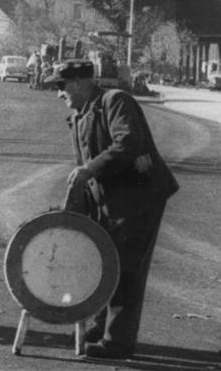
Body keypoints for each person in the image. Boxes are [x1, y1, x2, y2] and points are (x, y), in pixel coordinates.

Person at [44, 59, 179, 360]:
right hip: (110, 202)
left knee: (126, 269)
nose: (58, 93)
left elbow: (129, 142)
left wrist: (89, 169)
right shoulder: (81, 113)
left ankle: (117, 344)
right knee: (107, 264)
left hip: (139, 198)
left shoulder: (115, 101)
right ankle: (102, 328)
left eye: (61, 86)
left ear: (79, 83)